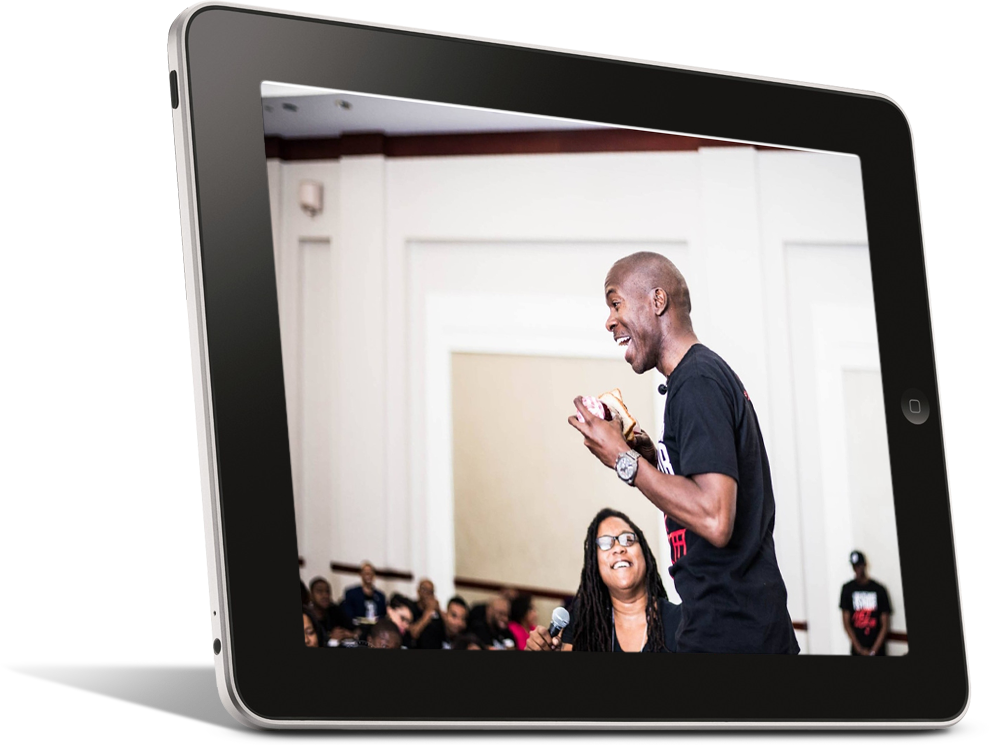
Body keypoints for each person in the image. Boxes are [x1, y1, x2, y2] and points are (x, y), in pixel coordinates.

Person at [567, 252, 798, 654]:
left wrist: (623, 459)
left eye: (616, 303)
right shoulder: (693, 380)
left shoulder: (697, 381)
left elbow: (714, 517)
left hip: (734, 636)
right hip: (725, 627)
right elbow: (699, 492)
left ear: (657, 301)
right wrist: (649, 457)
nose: (609, 321)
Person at [526, 508, 680, 652]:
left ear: (644, 552)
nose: (618, 548)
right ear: (595, 564)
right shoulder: (582, 621)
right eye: (605, 543)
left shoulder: (681, 620)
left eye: (627, 539)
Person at [839, 550, 892, 656]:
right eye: (854, 566)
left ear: (865, 565)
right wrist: (859, 649)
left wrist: (873, 651)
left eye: (859, 566)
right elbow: (846, 623)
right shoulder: (847, 589)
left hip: (878, 651)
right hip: (857, 651)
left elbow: (885, 624)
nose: (856, 570)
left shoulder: (879, 589)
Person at [308, 577, 357, 642]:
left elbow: (354, 629)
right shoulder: (307, 616)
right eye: (320, 591)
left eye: (327, 592)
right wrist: (330, 638)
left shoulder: (335, 610)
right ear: (311, 595)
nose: (325, 595)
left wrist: (350, 634)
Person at [405, 578, 442, 644]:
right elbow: (413, 633)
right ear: (418, 591)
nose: (428, 594)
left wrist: (439, 610)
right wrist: (428, 612)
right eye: (425, 590)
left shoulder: (435, 611)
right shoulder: (410, 608)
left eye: (431, 592)